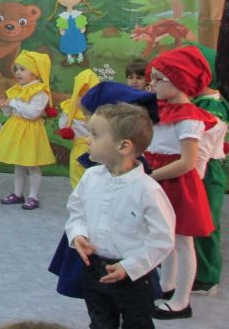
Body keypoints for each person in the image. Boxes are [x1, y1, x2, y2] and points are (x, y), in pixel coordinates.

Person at [65, 103, 175, 329]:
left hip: (132, 276)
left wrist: (131, 266)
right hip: (93, 268)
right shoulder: (91, 177)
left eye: (95, 135)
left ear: (123, 146)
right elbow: (76, 210)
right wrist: (78, 234)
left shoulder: (148, 190)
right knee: (100, 322)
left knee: (137, 323)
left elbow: (162, 238)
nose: (87, 139)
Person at [145, 46, 217, 320]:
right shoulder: (160, 110)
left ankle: (181, 301)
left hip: (177, 185)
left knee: (182, 241)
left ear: (181, 81)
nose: (152, 84)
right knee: (164, 237)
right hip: (160, 179)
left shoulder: (188, 117)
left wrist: (151, 177)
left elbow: (187, 162)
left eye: (158, 78)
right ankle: (167, 285)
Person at [0, 50, 56, 210]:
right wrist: (4, 105)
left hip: (31, 131)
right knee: (19, 163)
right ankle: (18, 194)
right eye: (17, 69)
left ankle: (33, 197)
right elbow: (10, 112)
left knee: (33, 165)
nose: (18, 73)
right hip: (16, 129)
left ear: (35, 72)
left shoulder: (40, 91)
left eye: (23, 69)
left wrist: (13, 103)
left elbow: (32, 113)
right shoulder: (17, 89)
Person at [188, 43, 228, 297]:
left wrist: (192, 176)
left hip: (205, 170)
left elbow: (201, 150)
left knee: (205, 222)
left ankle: (206, 276)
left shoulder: (209, 107)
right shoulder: (201, 102)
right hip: (199, 167)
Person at [57, 69, 100, 189]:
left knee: (92, 178)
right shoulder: (71, 108)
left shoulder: (99, 110)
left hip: (96, 148)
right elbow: (63, 125)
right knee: (78, 178)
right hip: (81, 147)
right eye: (81, 94)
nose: (84, 99)